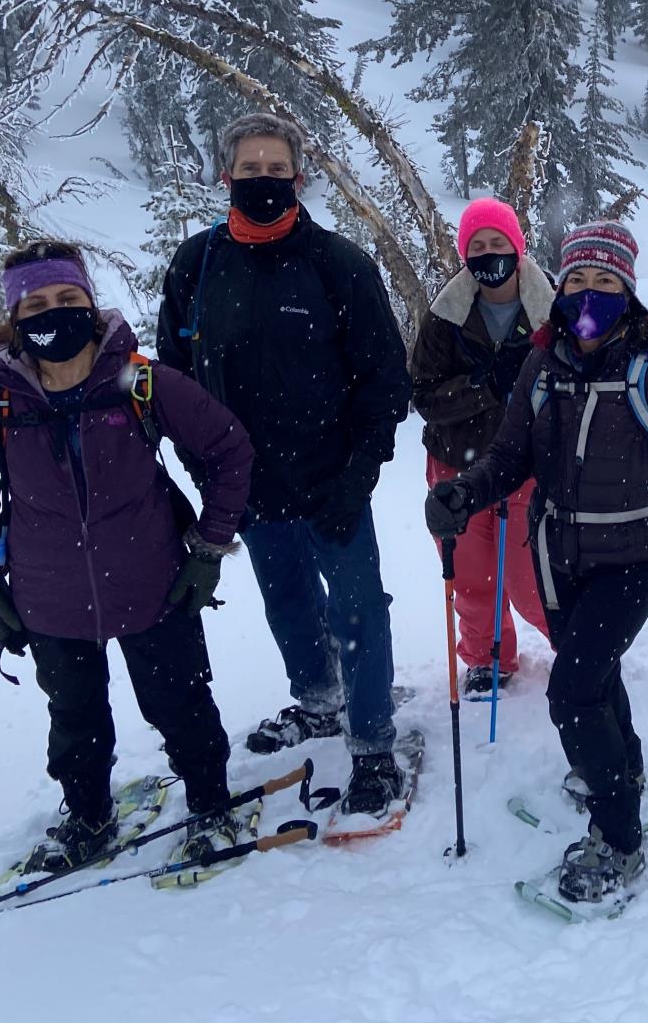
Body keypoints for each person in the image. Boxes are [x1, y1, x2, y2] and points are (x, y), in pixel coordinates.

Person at [425, 221, 648, 904]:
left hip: (635, 552)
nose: (588, 295)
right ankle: (620, 773)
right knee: (595, 679)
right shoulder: (541, 368)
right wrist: (463, 492)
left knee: (572, 690)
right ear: (561, 287)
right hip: (560, 554)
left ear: (628, 292)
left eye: (605, 283)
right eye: (577, 281)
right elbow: (509, 457)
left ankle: (620, 839)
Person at [0, 239, 255, 874]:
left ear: (89, 302)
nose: (55, 313)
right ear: (15, 318)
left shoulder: (137, 381)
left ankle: (211, 802)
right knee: (75, 719)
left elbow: (228, 449)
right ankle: (86, 817)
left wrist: (209, 548)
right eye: (39, 303)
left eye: (68, 298)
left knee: (180, 704)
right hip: (48, 597)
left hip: (154, 583)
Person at [157, 114, 412, 816]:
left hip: (334, 481)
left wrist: (359, 472)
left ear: (300, 179)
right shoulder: (196, 266)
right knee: (289, 604)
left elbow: (386, 380)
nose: (262, 182)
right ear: (224, 176)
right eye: (249, 170)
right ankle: (320, 702)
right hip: (246, 485)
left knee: (360, 611)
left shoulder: (340, 265)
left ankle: (372, 743)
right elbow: (172, 382)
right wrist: (202, 467)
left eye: (276, 171)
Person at [410, 198, 554, 696]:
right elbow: (425, 396)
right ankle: (488, 660)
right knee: (471, 578)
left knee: (533, 576)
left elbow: (587, 366)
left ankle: (576, 644)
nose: (489, 253)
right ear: (464, 254)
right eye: (478, 246)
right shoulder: (444, 316)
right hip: (455, 463)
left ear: (517, 246)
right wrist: (484, 387)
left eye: (498, 243)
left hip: (527, 464)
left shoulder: (553, 310)